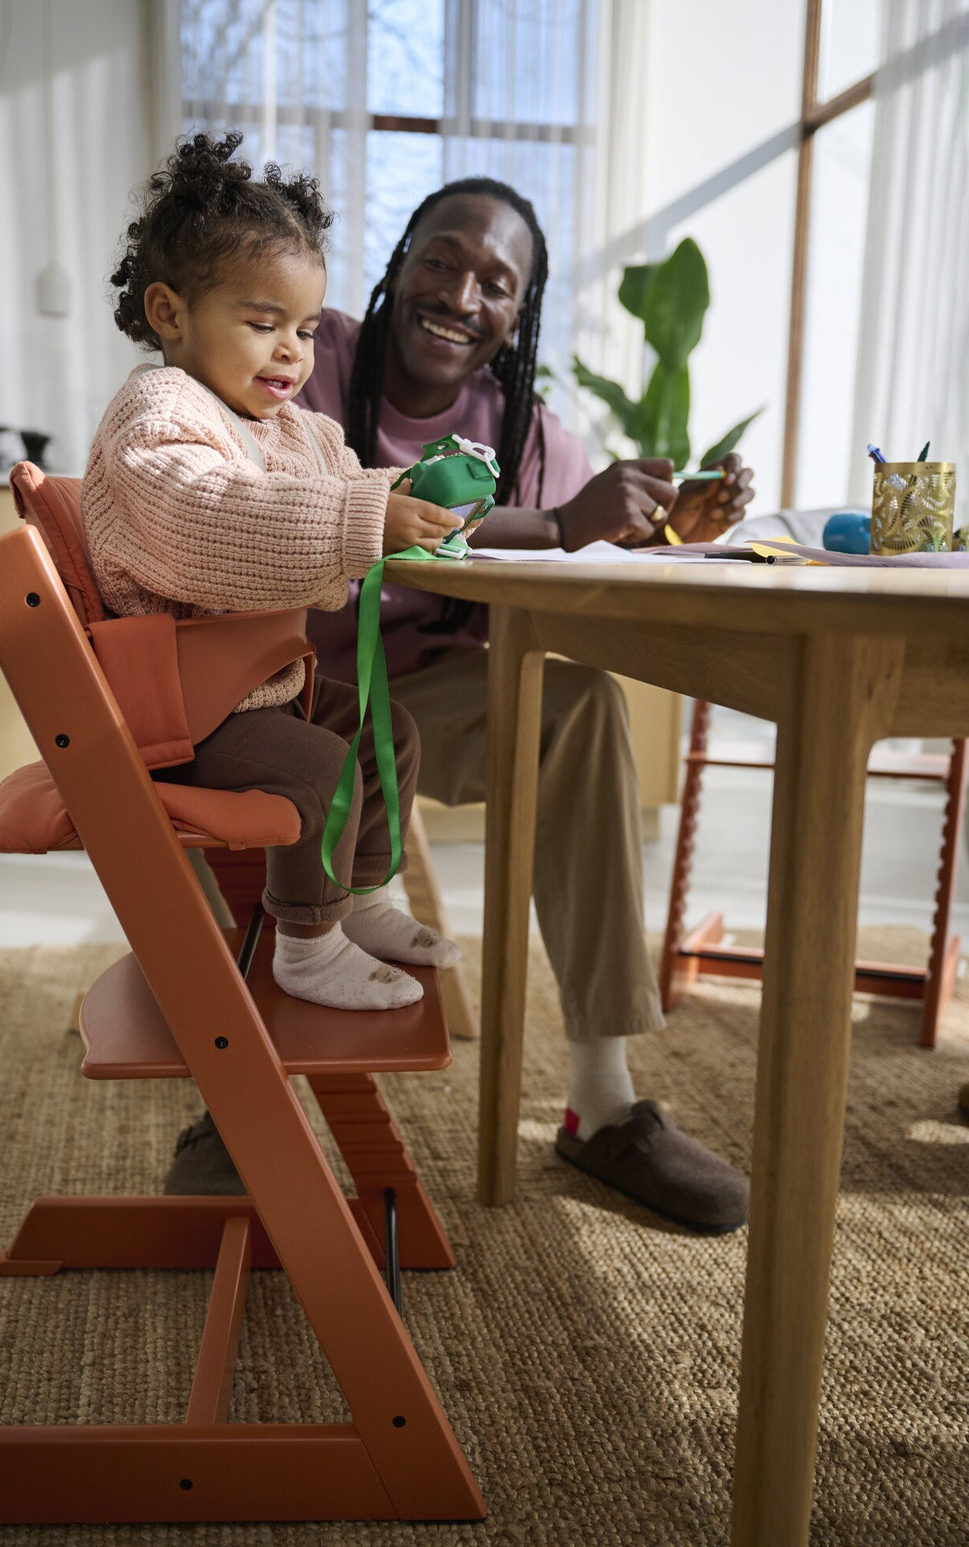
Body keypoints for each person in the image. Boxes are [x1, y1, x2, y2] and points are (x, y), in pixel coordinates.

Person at [298, 178, 755, 1234]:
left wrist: (655, 529)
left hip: (423, 714)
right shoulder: (310, 354)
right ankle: (236, 1096)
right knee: (269, 757)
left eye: (496, 285)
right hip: (292, 697)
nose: (461, 294)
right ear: (401, 261)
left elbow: (567, 585)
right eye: (441, 261)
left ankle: (604, 1103)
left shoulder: (529, 431)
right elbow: (313, 501)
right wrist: (551, 525)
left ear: (521, 313)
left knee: (580, 699)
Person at [81, 132, 467, 1020]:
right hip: (177, 705)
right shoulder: (158, 412)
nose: (291, 352)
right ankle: (307, 940)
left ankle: (364, 898)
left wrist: (407, 494)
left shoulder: (285, 426)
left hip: (250, 685)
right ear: (170, 314)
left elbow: (343, 479)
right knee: (321, 763)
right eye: (262, 325)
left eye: (303, 329)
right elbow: (209, 519)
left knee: (387, 731)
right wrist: (360, 520)